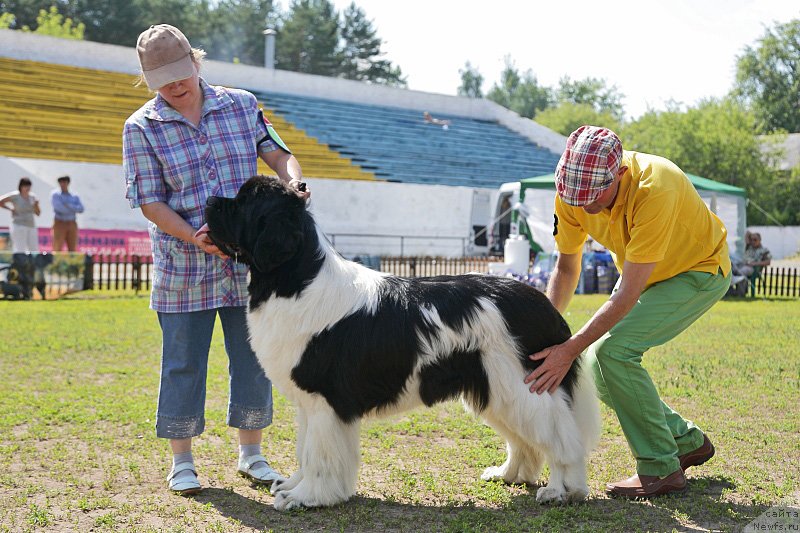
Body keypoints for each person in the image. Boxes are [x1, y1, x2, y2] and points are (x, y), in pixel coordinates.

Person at [122, 24, 309, 496]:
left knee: (253, 359)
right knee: (182, 362)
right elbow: (150, 200)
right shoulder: (141, 127)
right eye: (162, 80)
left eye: (180, 73)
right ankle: (182, 461)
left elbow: (279, 153)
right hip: (183, 268)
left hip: (248, 267)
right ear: (148, 80)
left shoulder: (242, 104)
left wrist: (293, 183)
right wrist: (191, 235)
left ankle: (252, 453)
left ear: (196, 62)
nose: (175, 86)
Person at [524, 126, 731, 499]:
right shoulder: (572, 194)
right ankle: (684, 441)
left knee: (611, 352)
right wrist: (542, 331)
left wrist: (568, 348)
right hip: (648, 274)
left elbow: (626, 294)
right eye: (573, 195)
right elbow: (567, 269)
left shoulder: (657, 187)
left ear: (619, 173)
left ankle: (661, 469)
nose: (582, 204)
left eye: (592, 195)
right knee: (597, 367)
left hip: (698, 270)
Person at [0, 178, 41, 253]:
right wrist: (10, 209)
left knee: (34, 249)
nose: (27, 188)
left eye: (29, 186)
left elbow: (38, 213)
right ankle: (20, 264)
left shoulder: (32, 197)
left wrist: (36, 205)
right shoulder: (15, 195)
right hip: (18, 225)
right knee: (20, 249)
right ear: (21, 186)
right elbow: (1, 201)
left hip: (31, 225)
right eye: (25, 186)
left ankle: (32, 264)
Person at [51, 175, 85, 252]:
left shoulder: (74, 196)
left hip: (72, 223)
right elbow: (59, 208)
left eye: (64, 182)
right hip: (60, 222)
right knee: (57, 247)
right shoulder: (55, 195)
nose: (63, 184)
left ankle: (72, 263)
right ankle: (56, 264)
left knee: (73, 248)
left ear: (68, 183)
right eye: (61, 182)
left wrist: (68, 205)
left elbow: (81, 209)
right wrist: (73, 209)